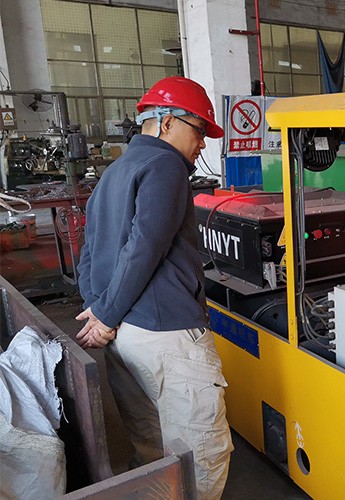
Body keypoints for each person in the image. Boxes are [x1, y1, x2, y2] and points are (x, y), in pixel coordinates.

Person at [75, 76, 232, 499]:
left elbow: (89, 250)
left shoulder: (114, 171)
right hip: (167, 336)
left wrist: (100, 312)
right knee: (202, 452)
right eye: (199, 130)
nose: (202, 144)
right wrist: (104, 314)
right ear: (167, 122)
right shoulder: (165, 165)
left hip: (124, 338)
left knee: (151, 444)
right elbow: (145, 245)